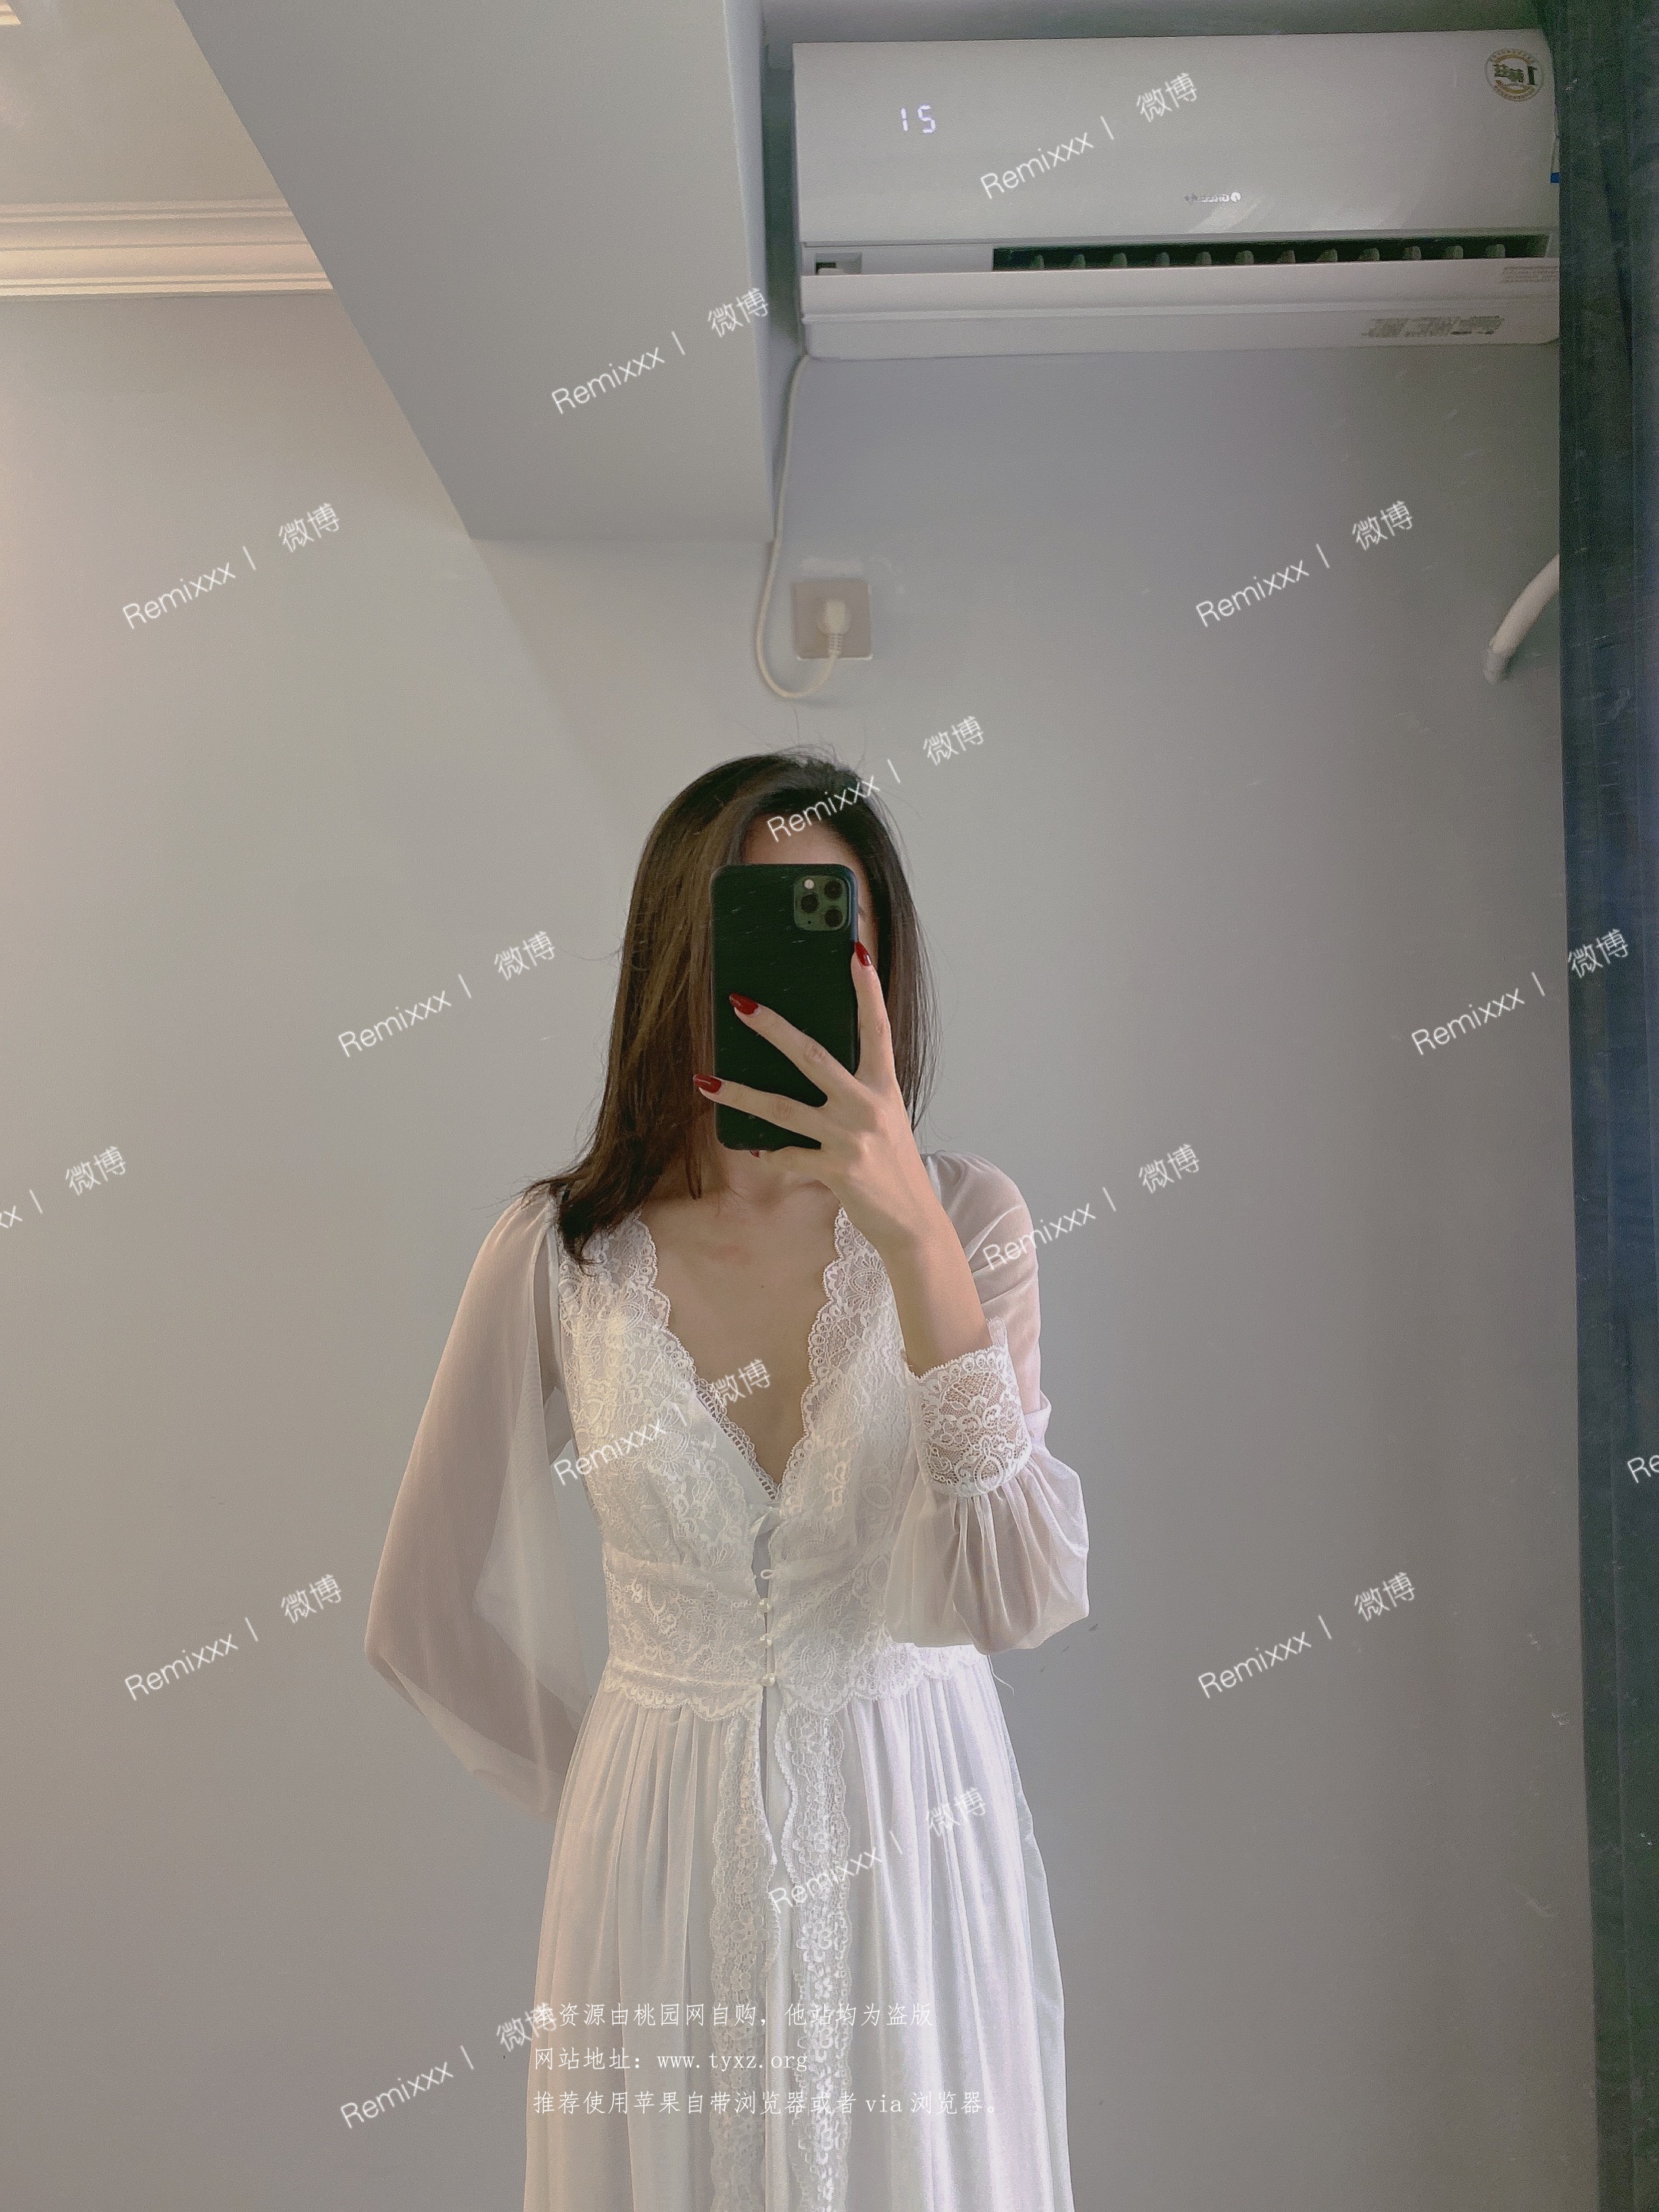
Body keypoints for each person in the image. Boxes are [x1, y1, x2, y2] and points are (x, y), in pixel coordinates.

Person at [366, 751, 1090, 2212]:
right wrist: (618, 1797)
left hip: (912, 1844)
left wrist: (913, 1241)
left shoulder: (973, 1223)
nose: (800, 975)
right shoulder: (561, 1254)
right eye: (756, 925)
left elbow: (1015, 1596)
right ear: (678, 957)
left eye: (838, 926)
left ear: (883, 961)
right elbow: (419, 1614)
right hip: (657, 1874)